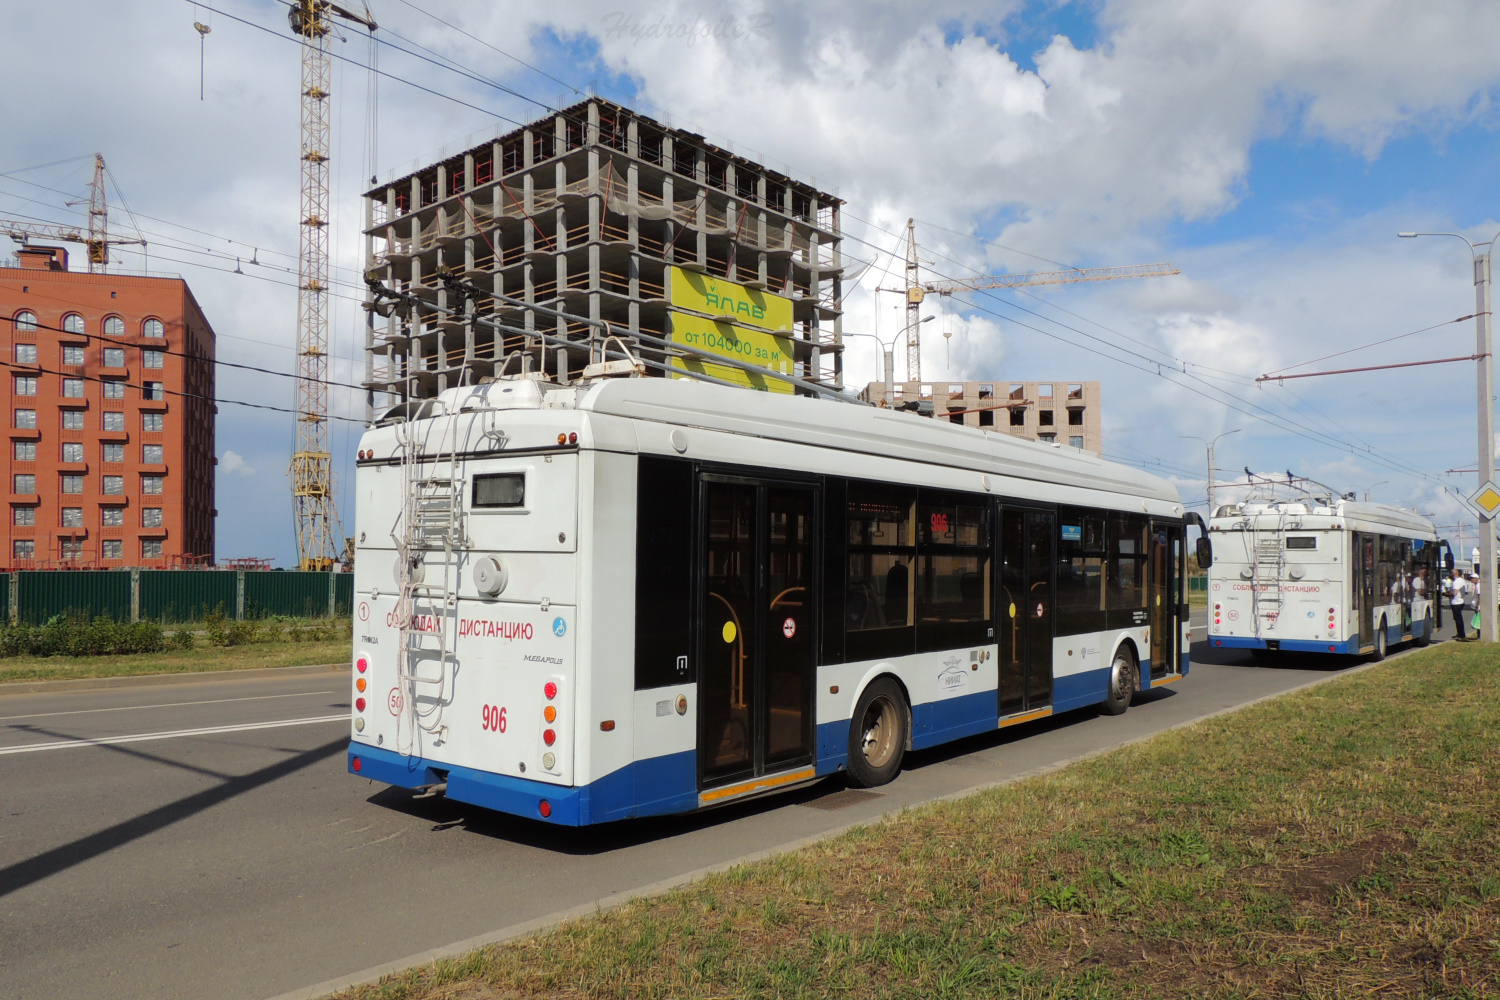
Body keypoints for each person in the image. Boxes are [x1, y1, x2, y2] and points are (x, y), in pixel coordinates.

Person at [1446, 567, 1471, 640]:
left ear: (1454, 574)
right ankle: (1460, 633)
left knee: (1458, 619)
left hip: (1456, 602)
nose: (1450, 574)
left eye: (1451, 573)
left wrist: (1447, 594)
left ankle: (1461, 634)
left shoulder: (1456, 581)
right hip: (1460, 601)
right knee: (1458, 618)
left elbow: (1454, 592)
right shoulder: (1461, 580)